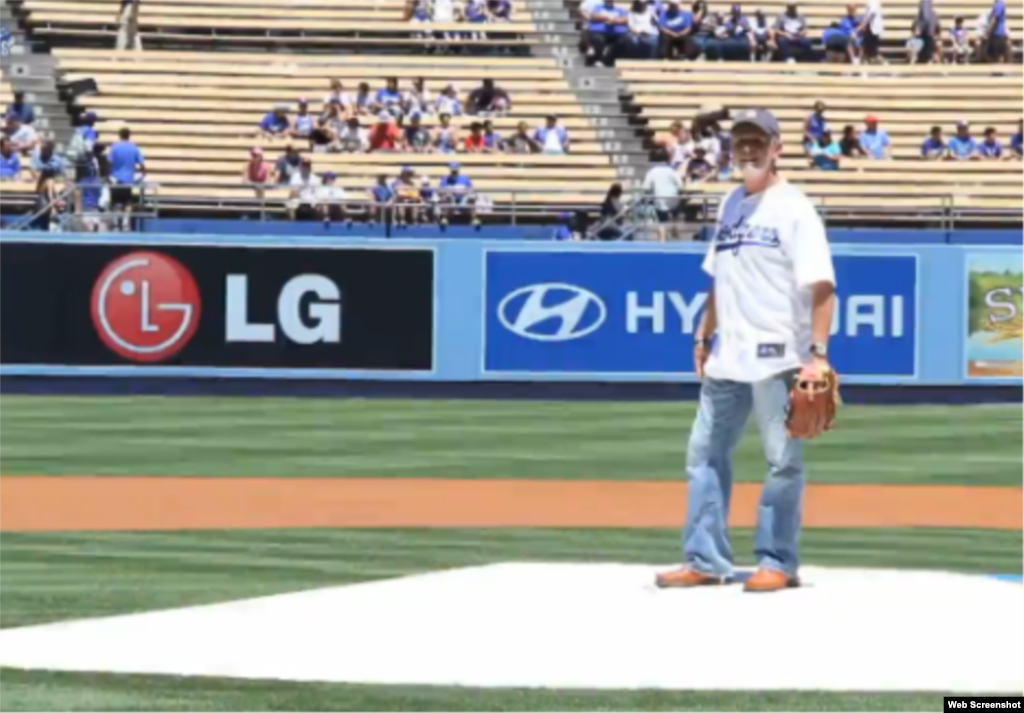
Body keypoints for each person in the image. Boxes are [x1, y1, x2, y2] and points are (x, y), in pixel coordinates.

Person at [655, 107, 836, 594]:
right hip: (727, 356)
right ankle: (705, 558)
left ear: (778, 147)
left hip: (778, 356)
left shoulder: (796, 208)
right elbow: (720, 277)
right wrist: (702, 332)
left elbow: (823, 287)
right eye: (741, 142)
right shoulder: (731, 203)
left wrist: (817, 354)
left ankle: (778, 560)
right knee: (704, 456)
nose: (749, 149)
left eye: (759, 140)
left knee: (782, 461)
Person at [107, 126, 145, 228]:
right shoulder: (134, 148)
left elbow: (109, 162)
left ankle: (116, 223)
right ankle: (125, 222)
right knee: (127, 201)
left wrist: (108, 175)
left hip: (115, 179)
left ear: (120, 135)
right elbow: (141, 163)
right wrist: (143, 172)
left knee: (115, 202)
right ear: (129, 136)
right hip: (128, 180)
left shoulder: (114, 147)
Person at [642, 148, 683, 240]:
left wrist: (650, 195)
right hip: (673, 200)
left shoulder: (652, 172)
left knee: (661, 222)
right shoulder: (672, 171)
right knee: (674, 213)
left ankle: (662, 240)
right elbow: (680, 186)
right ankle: (674, 227)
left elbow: (645, 188)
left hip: (659, 200)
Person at [586, 0, 629, 66]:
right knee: (598, 39)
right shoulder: (598, 7)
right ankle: (599, 59)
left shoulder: (619, 9)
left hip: (617, 33)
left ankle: (611, 60)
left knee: (625, 40)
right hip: (600, 32)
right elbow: (594, 16)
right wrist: (606, 18)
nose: (610, 1)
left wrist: (614, 21)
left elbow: (625, 19)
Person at [287, 156, 322, 221]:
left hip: (311, 201)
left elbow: (317, 193)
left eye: (307, 165)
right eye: (304, 165)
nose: (306, 167)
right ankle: (292, 226)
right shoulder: (296, 176)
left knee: (319, 205)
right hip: (298, 199)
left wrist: (315, 201)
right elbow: (293, 191)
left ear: (310, 166)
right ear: (301, 166)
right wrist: (300, 196)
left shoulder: (315, 178)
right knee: (290, 204)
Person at [907, 0, 940, 64]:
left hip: (930, 38)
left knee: (937, 43)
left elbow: (938, 29)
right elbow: (913, 30)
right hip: (920, 38)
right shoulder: (918, 17)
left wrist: (936, 37)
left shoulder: (934, 16)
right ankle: (914, 59)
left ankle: (933, 59)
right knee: (913, 43)